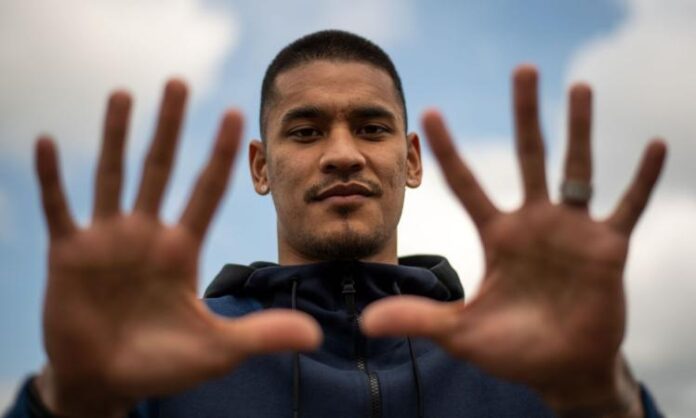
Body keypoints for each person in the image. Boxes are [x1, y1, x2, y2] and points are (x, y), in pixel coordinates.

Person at [5, 30, 666, 418]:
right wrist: (68, 401)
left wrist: (604, 399)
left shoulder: (520, 355)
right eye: (306, 131)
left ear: (411, 160)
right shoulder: (168, 356)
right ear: (260, 167)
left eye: (372, 128)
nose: (343, 153)